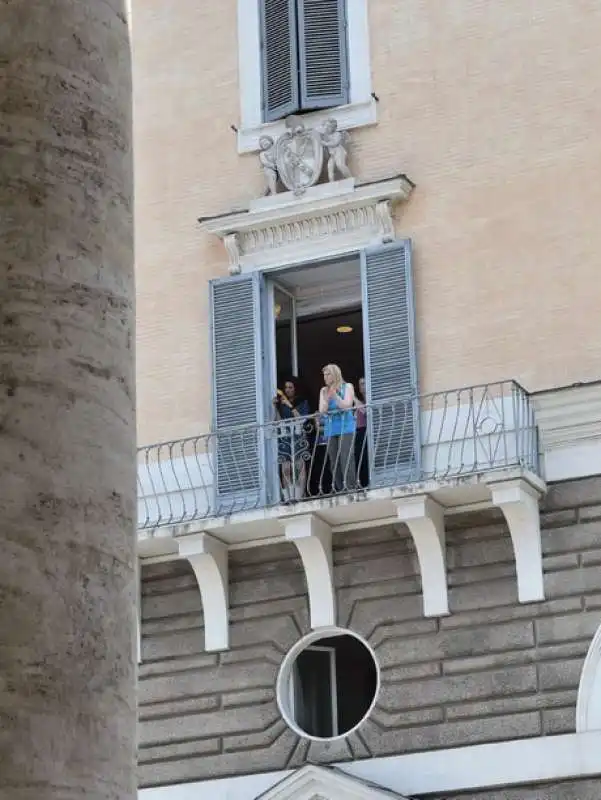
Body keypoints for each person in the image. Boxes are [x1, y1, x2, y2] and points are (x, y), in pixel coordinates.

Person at [319, 364, 357, 492]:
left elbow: (347, 405)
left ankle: (351, 487)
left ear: (335, 374)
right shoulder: (323, 390)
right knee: (334, 460)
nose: (325, 377)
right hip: (330, 429)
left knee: (346, 457)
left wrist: (335, 395)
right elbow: (322, 411)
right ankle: (341, 488)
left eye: (328, 374)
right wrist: (326, 398)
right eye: (324, 375)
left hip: (346, 426)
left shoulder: (347, 387)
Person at [273, 377, 310, 503]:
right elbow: (279, 421)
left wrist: (290, 405)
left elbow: (302, 419)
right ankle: (288, 497)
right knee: (286, 468)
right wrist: (275, 407)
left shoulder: (302, 402)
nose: (287, 390)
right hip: (285, 437)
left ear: (295, 389)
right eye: (286, 388)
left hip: (298, 436)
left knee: (300, 467)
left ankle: (299, 496)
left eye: (290, 387)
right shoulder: (281, 404)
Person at [354, 376, 369, 488]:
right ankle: (362, 484)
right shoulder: (358, 402)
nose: (362, 386)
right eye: (360, 384)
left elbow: (366, 411)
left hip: (366, 431)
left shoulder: (369, 400)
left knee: (366, 458)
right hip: (358, 432)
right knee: (359, 459)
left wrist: (353, 397)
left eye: (364, 383)